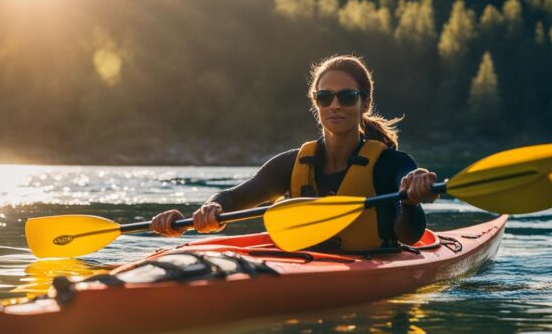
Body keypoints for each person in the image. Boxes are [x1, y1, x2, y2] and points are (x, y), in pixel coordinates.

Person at [151, 55, 438, 251]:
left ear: (365, 102)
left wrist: (412, 199)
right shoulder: (291, 164)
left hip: (376, 268)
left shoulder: (392, 164)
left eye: (347, 97)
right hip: (307, 263)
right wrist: (210, 208)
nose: (334, 105)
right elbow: (233, 198)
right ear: (316, 103)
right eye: (324, 97)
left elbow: (410, 236)